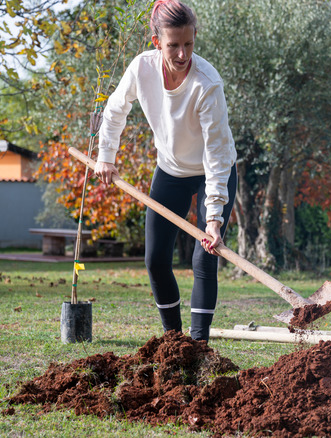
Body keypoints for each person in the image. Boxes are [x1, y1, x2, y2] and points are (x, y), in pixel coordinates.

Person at [94, 0, 237, 342]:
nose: (182, 54)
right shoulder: (141, 68)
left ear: (195, 37)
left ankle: (198, 344)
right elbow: (115, 111)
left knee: (204, 256)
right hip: (170, 171)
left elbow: (217, 155)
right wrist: (105, 156)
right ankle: (174, 342)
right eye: (173, 45)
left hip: (211, 173)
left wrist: (213, 219)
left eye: (188, 44)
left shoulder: (207, 84)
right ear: (157, 41)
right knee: (156, 259)